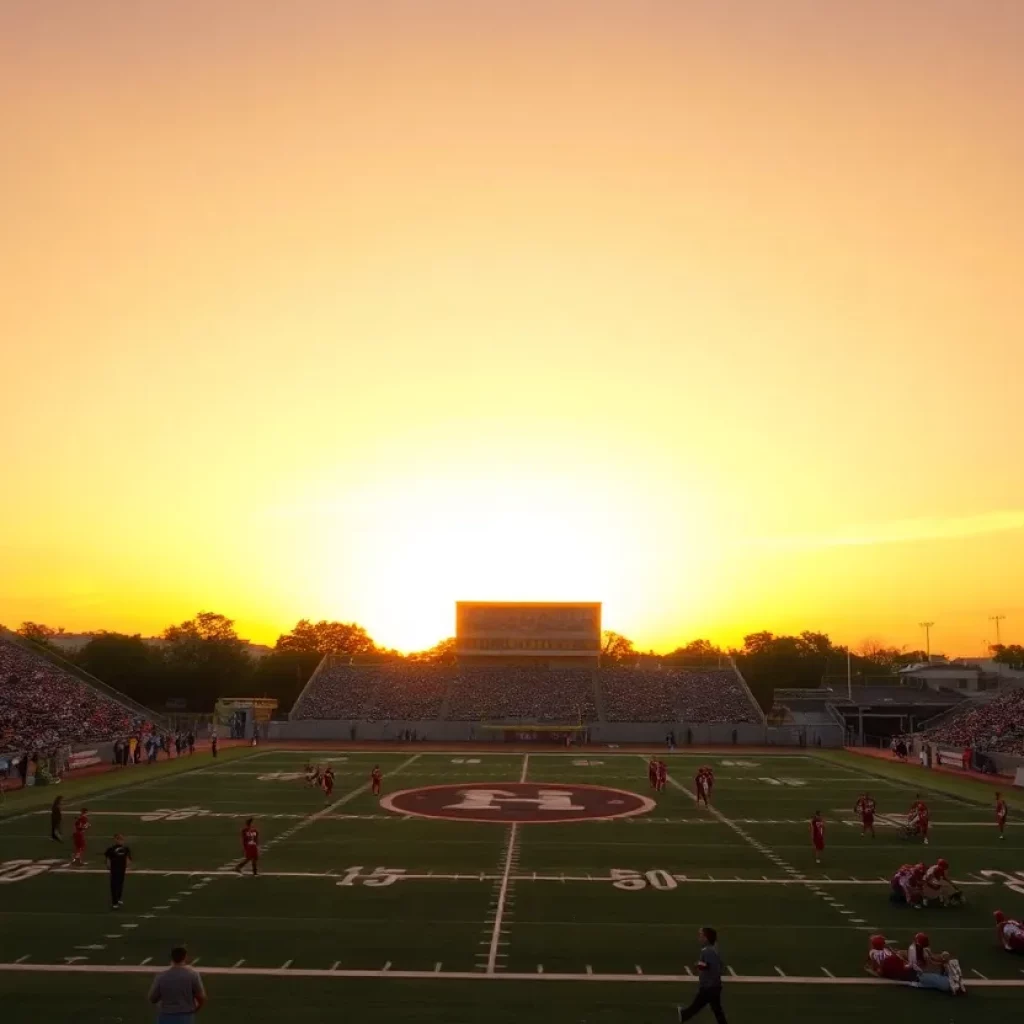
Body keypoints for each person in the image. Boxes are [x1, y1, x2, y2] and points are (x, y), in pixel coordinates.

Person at [677, 926, 728, 1022]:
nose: (699, 937)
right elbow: (718, 965)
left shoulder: (708, 951)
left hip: (709, 986)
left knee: (699, 1005)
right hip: (713, 986)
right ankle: (685, 1015)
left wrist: (698, 965)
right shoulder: (712, 950)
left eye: (701, 935)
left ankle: (685, 1015)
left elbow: (709, 966)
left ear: (706, 938)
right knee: (715, 1009)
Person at [148, 946, 206, 1023]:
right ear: (185, 957)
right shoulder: (193, 975)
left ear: (171, 958)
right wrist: (195, 1010)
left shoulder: (161, 976)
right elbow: (201, 998)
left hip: (165, 1016)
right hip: (186, 1017)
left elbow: (152, 998)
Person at [105, 833, 132, 909]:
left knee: (120, 884)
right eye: (118, 839)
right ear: (115, 840)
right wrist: (109, 866)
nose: (120, 840)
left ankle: (119, 898)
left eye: (121, 839)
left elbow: (128, 858)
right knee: (114, 885)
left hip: (122, 869)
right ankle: (114, 902)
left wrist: (127, 864)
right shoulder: (111, 849)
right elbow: (108, 859)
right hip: (114, 869)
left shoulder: (126, 849)